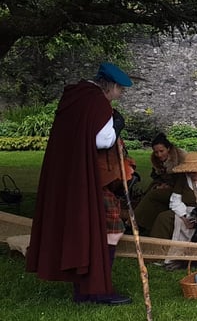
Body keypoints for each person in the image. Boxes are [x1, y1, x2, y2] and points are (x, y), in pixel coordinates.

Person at [26, 62, 134, 305]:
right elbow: (102, 140)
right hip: (90, 180)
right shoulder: (96, 102)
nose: (121, 95)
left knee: (85, 232)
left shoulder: (74, 97)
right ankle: (97, 290)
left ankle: (84, 291)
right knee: (111, 230)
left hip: (71, 177)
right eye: (121, 90)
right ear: (112, 86)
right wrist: (116, 126)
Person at [133, 133, 187, 233]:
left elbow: (184, 180)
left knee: (154, 194)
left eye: (161, 151)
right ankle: (146, 224)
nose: (159, 155)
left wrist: (169, 185)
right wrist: (160, 184)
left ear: (168, 148)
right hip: (167, 187)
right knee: (151, 193)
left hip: (181, 190)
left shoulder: (180, 159)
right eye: (156, 152)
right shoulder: (156, 160)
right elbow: (156, 177)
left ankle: (133, 221)